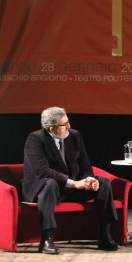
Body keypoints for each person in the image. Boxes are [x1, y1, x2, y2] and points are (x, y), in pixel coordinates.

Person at [22, 107, 120, 254]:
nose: (69, 126)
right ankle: (46, 240)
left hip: (70, 189)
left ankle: (105, 236)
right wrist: (74, 183)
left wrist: (89, 179)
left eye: (68, 121)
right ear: (52, 129)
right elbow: (42, 171)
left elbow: (85, 164)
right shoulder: (35, 139)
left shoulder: (74, 135)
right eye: (64, 124)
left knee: (104, 183)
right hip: (44, 188)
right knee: (50, 184)